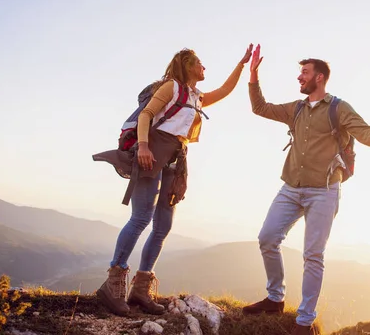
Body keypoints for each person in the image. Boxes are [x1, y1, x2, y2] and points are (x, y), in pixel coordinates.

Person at [242, 45, 370, 335]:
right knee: (267, 238)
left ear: (320, 78)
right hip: (291, 187)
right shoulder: (297, 109)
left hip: (324, 191)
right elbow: (260, 108)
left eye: (304, 73)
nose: (299, 78)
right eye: (300, 73)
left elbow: (365, 134)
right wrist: (253, 76)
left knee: (312, 256)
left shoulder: (339, 108)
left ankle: (304, 320)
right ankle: (275, 299)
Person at [94, 44, 254, 316]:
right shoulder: (172, 88)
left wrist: (243, 65)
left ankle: (140, 289)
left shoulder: (195, 97)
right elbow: (146, 115)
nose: (205, 68)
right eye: (201, 63)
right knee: (141, 217)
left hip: (175, 161)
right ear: (189, 66)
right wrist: (143, 147)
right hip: (151, 154)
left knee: (163, 226)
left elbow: (226, 91)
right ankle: (113, 284)